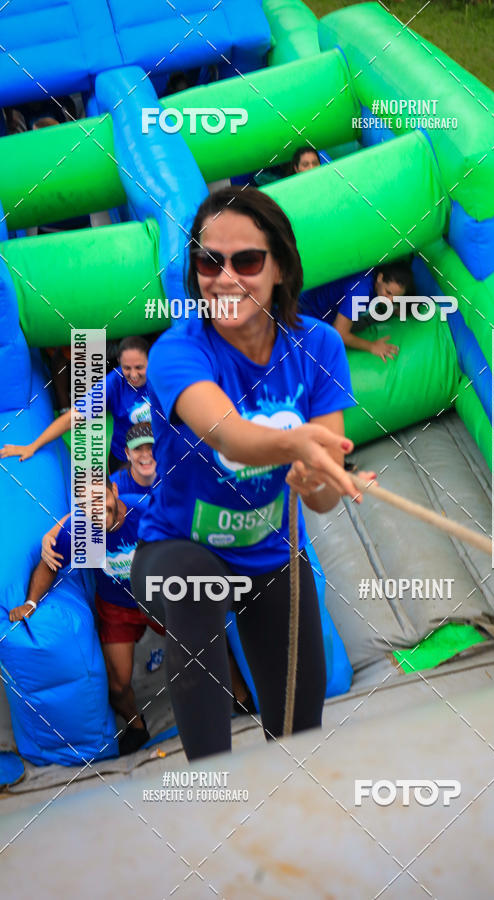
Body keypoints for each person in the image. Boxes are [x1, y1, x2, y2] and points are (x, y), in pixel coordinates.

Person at [130, 185, 375, 761]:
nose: (226, 277)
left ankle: (288, 835)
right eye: (209, 261)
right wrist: (296, 444)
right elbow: (226, 433)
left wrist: (315, 479)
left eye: (247, 260)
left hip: (270, 556)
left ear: (281, 267)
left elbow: (319, 502)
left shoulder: (318, 345)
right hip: (176, 549)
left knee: (299, 733)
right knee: (194, 592)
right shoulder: (177, 351)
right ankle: (215, 805)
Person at [9, 481, 165, 755]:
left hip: (158, 595)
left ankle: (239, 693)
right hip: (117, 607)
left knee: (206, 636)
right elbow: (49, 563)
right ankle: (136, 725)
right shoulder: (82, 530)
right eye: (86, 506)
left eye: (100, 498)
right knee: (117, 684)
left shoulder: (145, 510)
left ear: (114, 491)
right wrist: (30, 602)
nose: (96, 510)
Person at [0, 335, 152, 473]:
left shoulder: (162, 378)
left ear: (150, 362)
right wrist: (32, 446)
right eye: (127, 368)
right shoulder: (113, 383)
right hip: (125, 457)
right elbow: (72, 418)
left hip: (161, 451)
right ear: (119, 362)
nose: (133, 375)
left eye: (139, 367)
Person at [299, 260, 414, 362]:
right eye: (388, 293)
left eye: (395, 298)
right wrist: (372, 346)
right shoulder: (361, 290)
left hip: (324, 309)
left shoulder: (375, 279)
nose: (389, 300)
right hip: (309, 317)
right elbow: (340, 333)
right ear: (380, 278)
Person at [110, 423, 158, 498]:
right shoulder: (113, 486)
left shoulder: (175, 479)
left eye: (151, 447)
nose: (145, 455)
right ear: (127, 453)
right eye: (137, 448)